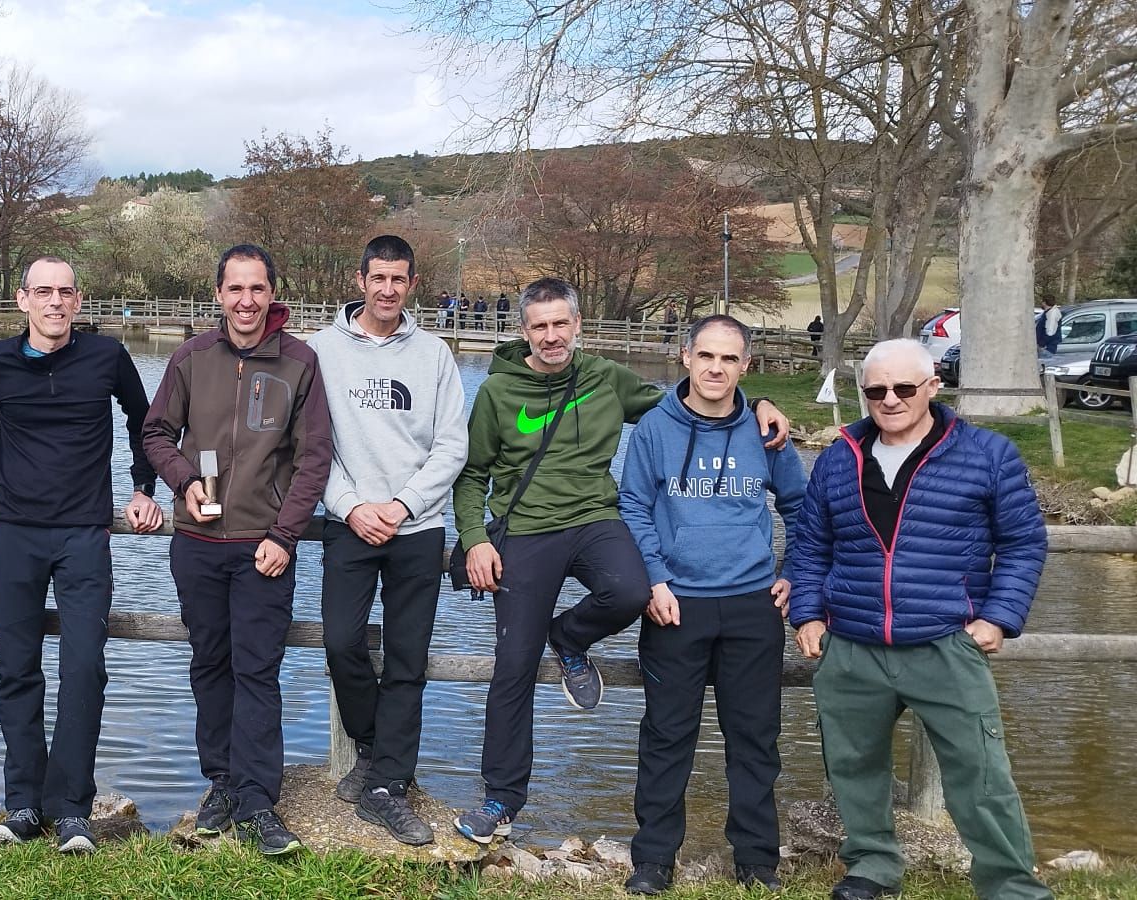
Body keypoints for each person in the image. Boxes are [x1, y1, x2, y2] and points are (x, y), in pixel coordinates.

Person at [449, 277, 789, 845]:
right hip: (527, 531)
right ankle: (501, 800)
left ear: (578, 325)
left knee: (632, 592)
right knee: (513, 666)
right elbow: (471, 475)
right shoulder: (497, 394)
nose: (552, 336)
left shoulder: (605, 377)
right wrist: (474, 538)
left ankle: (572, 637)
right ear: (524, 330)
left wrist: (756, 406)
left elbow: (690, 403)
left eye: (562, 324)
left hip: (595, 521)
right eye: (540, 326)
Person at [786, 338, 1051, 900]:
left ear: (933, 386)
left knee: (980, 776)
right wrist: (808, 615)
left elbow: (1024, 543)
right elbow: (810, 544)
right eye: (876, 390)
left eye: (904, 387)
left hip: (945, 642)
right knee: (853, 768)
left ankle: (1010, 886)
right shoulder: (840, 457)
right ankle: (872, 868)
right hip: (852, 643)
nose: (890, 399)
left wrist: (999, 617)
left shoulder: (987, 454)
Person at [0, 256, 164, 854]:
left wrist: (142, 486)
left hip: (83, 535)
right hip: (16, 533)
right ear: (22, 299)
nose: (55, 302)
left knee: (83, 669)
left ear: (79, 302)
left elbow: (145, 420)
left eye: (66, 292)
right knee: (16, 669)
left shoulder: (106, 359)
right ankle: (22, 804)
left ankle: (73, 809)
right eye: (43, 292)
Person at [142, 243, 332, 857]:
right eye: (235, 289)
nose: (246, 301)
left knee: (258, 671)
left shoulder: (299, 362)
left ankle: (257, 800)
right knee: (208, 666)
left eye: (257, 289)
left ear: (272, 293)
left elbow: (313, 459)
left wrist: (284, 535)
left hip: (262, 550)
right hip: (196, 544)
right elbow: (154, 433)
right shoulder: (192, 357)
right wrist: (182, 482)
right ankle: (220, 784)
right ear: (219, 293)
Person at [616, 314, 807, 894]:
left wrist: (793, 572)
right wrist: (654, 579)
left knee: (754, 739)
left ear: (745, 365)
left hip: (752, 606)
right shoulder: (654, 429)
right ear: (686, 357)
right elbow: (634, 506)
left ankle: (756, 861)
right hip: (677, 605)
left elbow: (803, 507)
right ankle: (653, 861)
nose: (716, 368)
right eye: (706, 356)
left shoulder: (766, 430)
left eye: (729, 359)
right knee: (667, 736)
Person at [307, 235, 468, 846]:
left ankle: (386, 785)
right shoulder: (322, 351)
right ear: (360, 279)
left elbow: (452, 445)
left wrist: (402, 506)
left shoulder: (434, 354)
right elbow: (312, 444)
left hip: (417, 529)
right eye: (378, 278)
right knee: (342, 643)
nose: (387, 289)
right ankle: (375, 746)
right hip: (350, 526)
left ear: (412, 284)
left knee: (407, 659)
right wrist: (351, 507)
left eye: (399, 279)